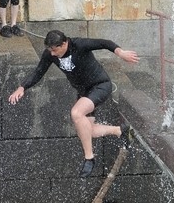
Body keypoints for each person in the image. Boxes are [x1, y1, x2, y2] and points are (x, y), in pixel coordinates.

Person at [8, 30, 139, 178]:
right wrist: (22, 87)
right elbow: (38, 72)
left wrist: (120, 53)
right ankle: (121, 131)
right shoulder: (50, 54)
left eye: (54, 49)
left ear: (64, 44)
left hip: (100, 85)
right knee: (86, 131)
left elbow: (104, 43)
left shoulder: (79, 45)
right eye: (50, 50)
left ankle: (89, 158)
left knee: (76, 113)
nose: (52, 53)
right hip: (84, 92)